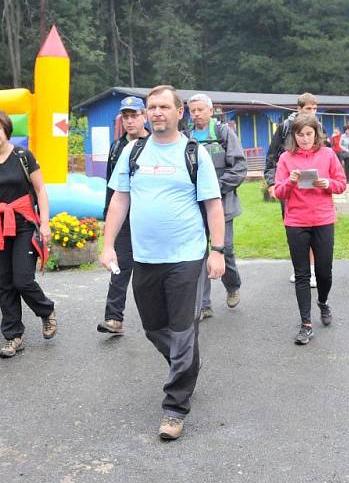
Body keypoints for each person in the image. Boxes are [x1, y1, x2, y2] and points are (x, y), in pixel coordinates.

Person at [99, 84, 225, 441]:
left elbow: (213, 205)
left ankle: (175, 408)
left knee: (183, 331)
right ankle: (187, 368)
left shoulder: (193, 153)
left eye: (163, 107)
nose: (156, 112)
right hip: (145, 257)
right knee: (155, 328)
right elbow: (119, 200)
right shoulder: (133, 152)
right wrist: (108, 245)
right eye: (151, 107)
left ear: (178, 112)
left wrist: (218, 251)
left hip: (186, 257)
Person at [0, 111, 56, 358]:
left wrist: (44, 223)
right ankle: (13, 337)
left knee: (23, 280)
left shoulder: (23, 156)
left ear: (6, 130)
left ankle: (46, 311)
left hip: (24, 225)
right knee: (5, 284)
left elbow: (40, 190)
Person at [274, 114, 346, 345]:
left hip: (323, 219)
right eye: (300, 135)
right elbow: (279, 192)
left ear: (316, 134)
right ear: (293, 136)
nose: (304, 139)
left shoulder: (328, 154)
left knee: (324, 272)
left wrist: (328, 184)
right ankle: (306, 324)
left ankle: (323, 301)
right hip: (296, 221)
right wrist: (291, 181)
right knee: (302, 274)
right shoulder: (286, 158)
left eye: (308, 134)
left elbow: (341, 184)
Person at [187, 93, 247, 320]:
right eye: (193, 110)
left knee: (225, 249)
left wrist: (214, 189)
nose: (197, 114)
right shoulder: (186, 137)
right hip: (194, 205)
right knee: (199, 253)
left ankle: (232, 285)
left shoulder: (224, 134)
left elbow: (239, 167)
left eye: (201, 110)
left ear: (211, 111)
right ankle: (204, 304)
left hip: (223, 204)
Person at [97, 96, 150, 336]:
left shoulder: (154, 143)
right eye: (126, 117)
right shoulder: (116, 147)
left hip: (149, 215)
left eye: (134, 116)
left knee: (150, 267)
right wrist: (107, 215)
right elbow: (111, 186)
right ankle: (113, 318)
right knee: (119, 264)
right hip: (122, 216)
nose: (130, 121)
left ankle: (160, 316)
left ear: (144, 116)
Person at [264, 92, 320, 286]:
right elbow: (271, 157)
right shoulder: (284, 128)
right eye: (308, 109)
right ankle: (299, 267)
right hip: (289, 186)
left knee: (314, 229)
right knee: (294, 230)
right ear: (298, 109)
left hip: (313, 187)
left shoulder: (318, 128)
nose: (312, 112)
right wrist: (272, 183)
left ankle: (312, 269)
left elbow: (325, 155)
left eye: (315, 109)